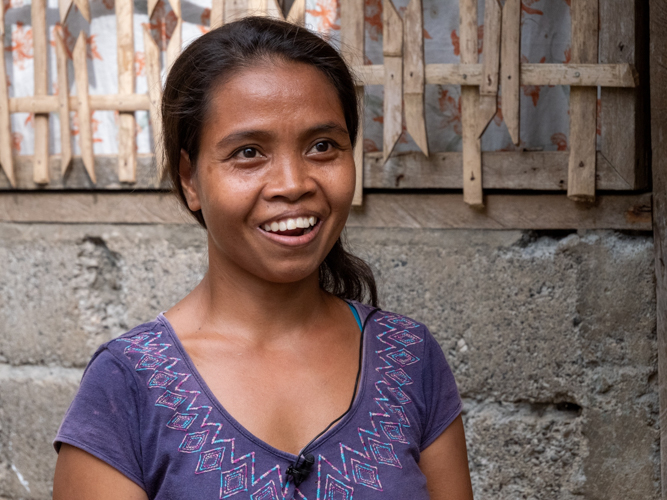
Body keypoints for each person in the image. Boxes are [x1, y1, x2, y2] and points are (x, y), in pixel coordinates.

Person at [52, 16, 473, 500]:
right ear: (190, 179)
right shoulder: (127, 384)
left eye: (322, 146)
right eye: (249, 152)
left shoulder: (409, 357)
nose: (294, 184)